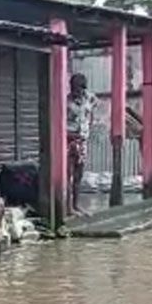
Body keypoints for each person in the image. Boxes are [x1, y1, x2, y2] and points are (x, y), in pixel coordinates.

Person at [66, 73, 96, 217]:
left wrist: (88, 127)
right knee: (68, 175)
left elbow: (91, 114)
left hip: (82, 140)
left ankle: (76, 205)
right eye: (74, 88)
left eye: (79, 88)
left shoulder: (90, 99)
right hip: (68, 140)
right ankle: (68, 207)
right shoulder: (66, 102)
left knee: (78, 175)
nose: (76, 91)